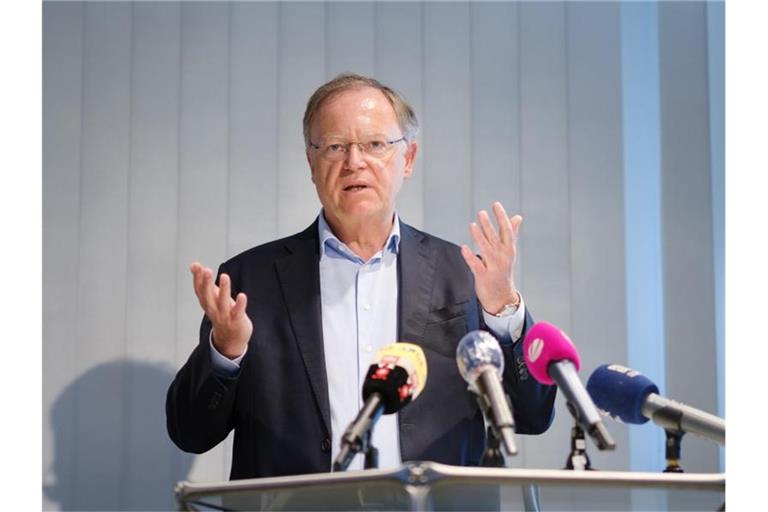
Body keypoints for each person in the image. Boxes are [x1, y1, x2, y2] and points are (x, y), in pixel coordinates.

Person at [166, 73, 556, 480]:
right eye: (335, 146)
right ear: (311, 163)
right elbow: (190, 432)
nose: (355, 162)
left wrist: (503, 311)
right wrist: (225, 353)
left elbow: (531, 415)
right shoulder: (250, 281)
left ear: (407, 159)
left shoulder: (465, 275)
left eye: (374, 145)